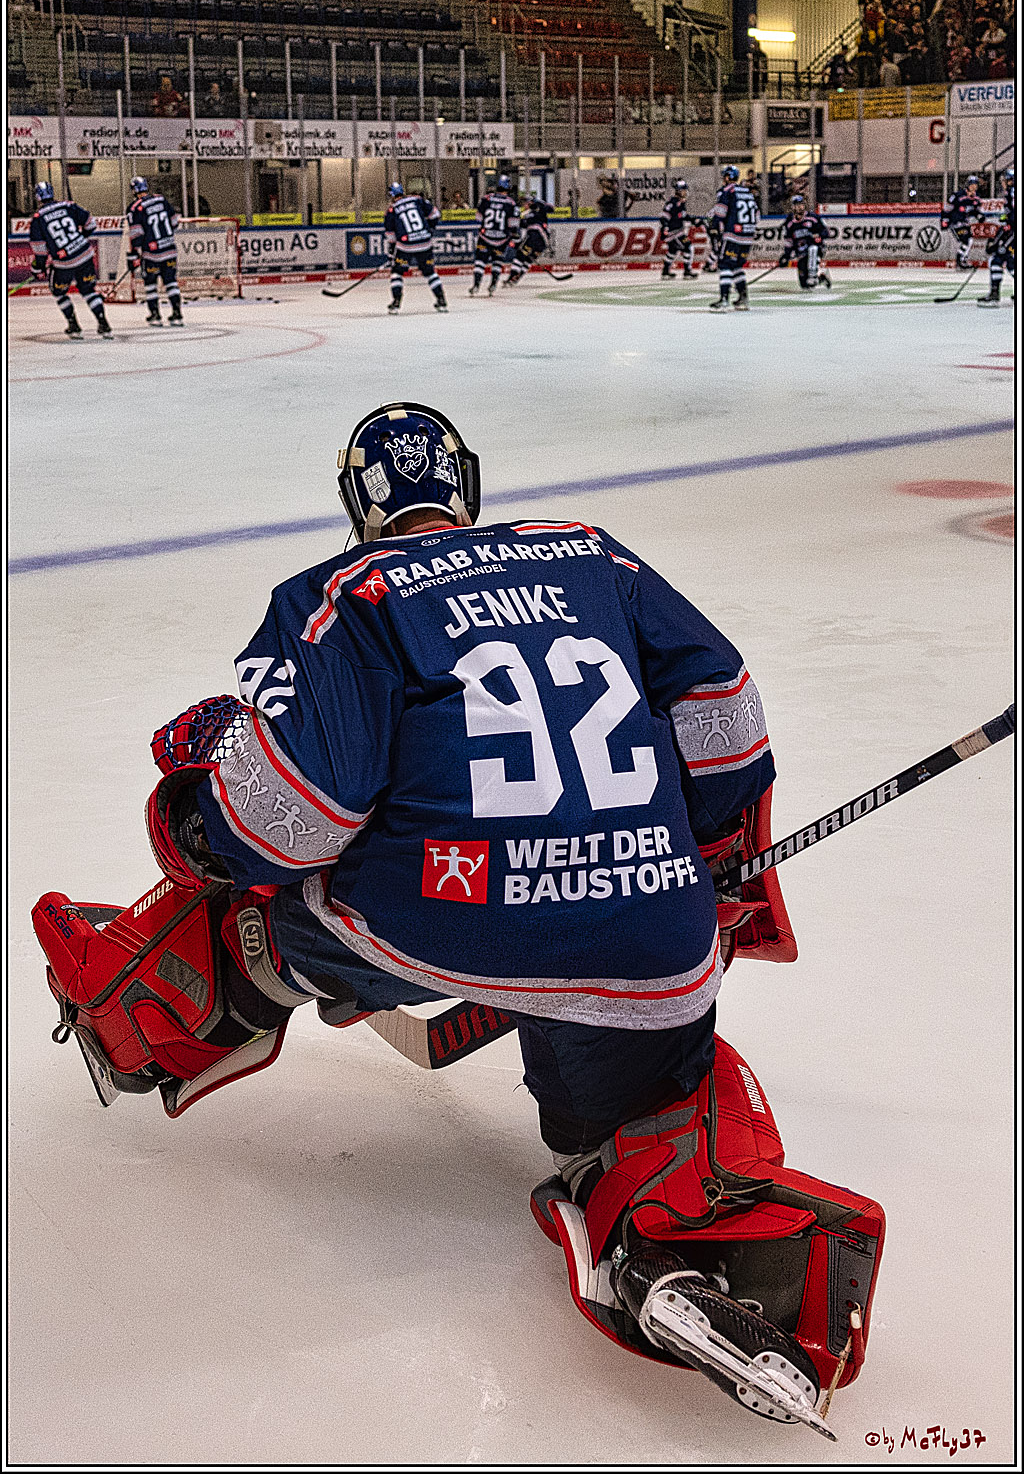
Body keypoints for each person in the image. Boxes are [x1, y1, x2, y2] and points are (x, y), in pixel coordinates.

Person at [35, 402, 884, 1436]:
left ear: (357, 501)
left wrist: (204, 783)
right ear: (467, 486)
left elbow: (291, 826)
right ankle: (660, 1242)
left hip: (430, 921)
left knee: (250, 915)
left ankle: (150, 1034)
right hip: (640, 929)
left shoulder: (339, 597)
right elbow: (725, 713)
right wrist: (691, 856)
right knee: (650, 1085)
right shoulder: (593, 555)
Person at [28, 180, 112, 337]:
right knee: (89, 291)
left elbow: (39, 250)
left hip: (63, 263)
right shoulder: (69, 206)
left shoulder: (38, 218)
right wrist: (80, 239)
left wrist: (38, 267)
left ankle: (74, 326)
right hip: (84, 255)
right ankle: (104, 324)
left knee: (59, 292)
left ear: (38, 197)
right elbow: (91, 224)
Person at [125, 176, 183, 325]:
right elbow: (175, 223)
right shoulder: (161, 200)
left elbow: (136, 235)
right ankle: (177, 314)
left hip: (151, 254)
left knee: (151, 285)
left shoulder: (134, 208)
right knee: (171, 283)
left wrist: (134, 255)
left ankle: (155, 316)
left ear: (133, 190)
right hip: (169, 249)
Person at [382, 182, 447, 315]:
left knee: (397, 272)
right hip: (424, 243)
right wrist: (430, 229)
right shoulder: (417, 200)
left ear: (392, 195)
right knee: (430, 272)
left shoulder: (391, 210)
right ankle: (441, 300)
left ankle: (396, 302)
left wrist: (391, 253)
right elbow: (435, 214)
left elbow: (391, 236)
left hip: (406, 247)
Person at [707, 164, 759, 311]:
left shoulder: (727, 191)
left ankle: (724, 300)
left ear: (728, 177)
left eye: (724, 176)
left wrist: (714, 227)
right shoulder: (748, 192)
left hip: (732, 235)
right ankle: (743, 298)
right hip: (747, 236)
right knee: (737, 266)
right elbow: (757, 216)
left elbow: (720, 213)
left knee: (725, 264)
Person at [470, 175, 519, 296]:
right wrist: (513, 234)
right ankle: (493, 285)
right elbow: (513, 223)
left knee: (480, 261)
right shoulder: (511, 203)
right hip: (502, 239)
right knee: (497, 261)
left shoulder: (486, 199)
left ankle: (476, 285)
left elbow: (478, 218)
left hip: (485, 236)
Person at [779, 194, 832, 290]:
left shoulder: (813, 218)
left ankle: (812, 275)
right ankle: (820, 278)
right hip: (801, 253)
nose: (799, 207)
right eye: (797, 205)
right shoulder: (790, 223)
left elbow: (826, 232)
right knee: (805, 285)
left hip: (816, 250)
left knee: (813, 249)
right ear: (793, 207)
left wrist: (819, 236)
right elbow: (789, 241)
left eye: (801, 204)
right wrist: (786, 256)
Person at [979, 165, 1014, 307]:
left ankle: (994, 294)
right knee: (1006, 259)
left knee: (999, 258)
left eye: (1005, 180)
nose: (1003, 183)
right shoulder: (1010, 193)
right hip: (1011, 231)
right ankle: (994, 292)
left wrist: (1005, 232)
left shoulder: (1013, 192)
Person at [505, 194, 553, 285]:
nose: (524, 205)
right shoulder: (524, 215)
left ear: (530, 202)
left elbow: (551, 208)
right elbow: (520, 228)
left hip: (537, 237)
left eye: (525, 202)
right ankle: (516, 278)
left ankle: (512, 277)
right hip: (538, 240)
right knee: (528, 259)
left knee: (520, 255)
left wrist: (538, 202)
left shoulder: (540, 209)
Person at [658, 178, 700, 280]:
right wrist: (665, 227)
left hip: (677, 232)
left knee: (673, 251)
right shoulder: (673, 203)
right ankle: (687, 271)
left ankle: (665, 272)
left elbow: (683, 216)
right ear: (679, 191)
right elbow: (664, 216)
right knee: (688, 247)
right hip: (673, 233)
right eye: (684, 190)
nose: (685, 192)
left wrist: (695, 220)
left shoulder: (680, 203)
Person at [941, 173, 983, 270]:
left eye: (975, 185)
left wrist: (980, 216)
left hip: (965, 222)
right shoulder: (958, 195)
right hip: (955, 222)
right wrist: (945, 220)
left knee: (969, 240)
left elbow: (974, 211)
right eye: (971, 184)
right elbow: (947, 208)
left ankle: (962, 260)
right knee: (967, 239)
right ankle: (961, 260)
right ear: (967, 185)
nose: (973, 187)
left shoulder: (976, 198)